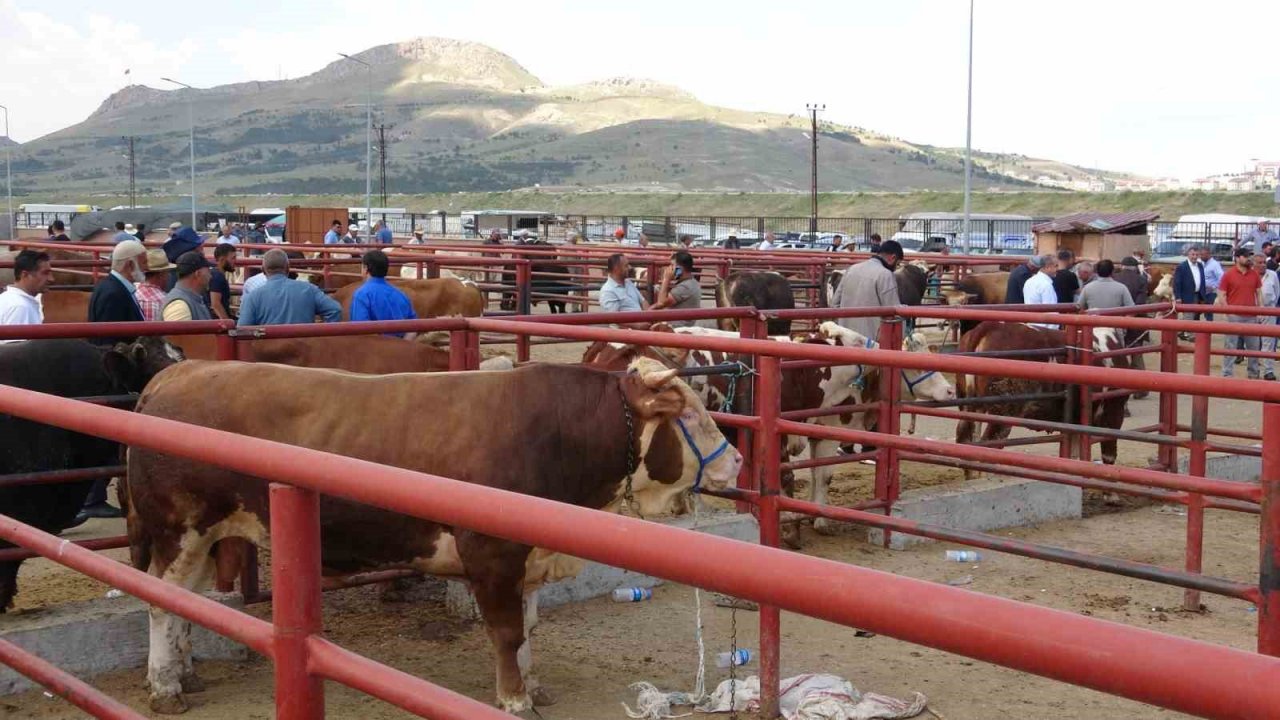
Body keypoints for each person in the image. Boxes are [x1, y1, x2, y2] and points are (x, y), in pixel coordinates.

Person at [237, 249, 342, 326]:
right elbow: (335, 309)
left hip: (269, 353)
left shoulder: (252, 297)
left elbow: (243, 329)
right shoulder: (309, 289)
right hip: (304, 351)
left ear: (263, 270)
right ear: (288, 268)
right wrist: (321, 337)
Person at [831, 239, 904, 341]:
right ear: (893, 258)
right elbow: (893, 311)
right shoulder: (885, 275)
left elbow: (834, 304)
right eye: (897, 264)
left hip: (845, 338)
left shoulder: (852, 269)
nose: (896, 268)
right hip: (869, 342)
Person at [87, 240, 147, 342]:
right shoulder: (113, 295)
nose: (147, 267)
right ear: (130, 265)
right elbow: (108, 341)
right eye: (144, 262)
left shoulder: (110, 287)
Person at [1217, 248, 1263, 379]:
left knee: (1253, 347)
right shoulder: (1228, 274)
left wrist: (1260, 310)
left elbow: (1259, 293)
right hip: (1235, 316)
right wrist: (1228, 312)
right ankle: (1227, 374)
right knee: (1230, 347)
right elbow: (1222, 295)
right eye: (1245, 256)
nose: (1248, 258)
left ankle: (1253, 374)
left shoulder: (1254, 274)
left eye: (1249, 256)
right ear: (1237, 258)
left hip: (1251, 316)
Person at [350, 249, 418, 339]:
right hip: (400, 348)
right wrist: (403, 345)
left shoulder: (361, 294)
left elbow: (360, 331)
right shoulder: (400, 294)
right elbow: (414, 325)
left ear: (366, 269)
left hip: (374, 349)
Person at [0, 250, 51, 339]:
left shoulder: (9, 299)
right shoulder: (20, 307)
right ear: (25, 275)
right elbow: (14, 350)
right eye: (45, 273)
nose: (51, 279)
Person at [1116, 256, 1152, 381]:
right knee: (1136, 353)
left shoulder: (1115, 278)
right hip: (1136, 321)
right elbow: (1140, 302)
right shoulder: (1142, 280)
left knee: (1115, 352)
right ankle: (1140, 387)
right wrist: (1130, 316)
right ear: (1136, 267)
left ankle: (1118, 383)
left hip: (1116, 320)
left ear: (1122, 266)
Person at [161, 252, 215, 322]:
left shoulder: (189, 299)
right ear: (198, 274)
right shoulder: (179, 306)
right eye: (208, 272)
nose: (210, 276)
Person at [651, 250, 701, 325]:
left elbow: (661, 302)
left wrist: (666, 279)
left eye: (672, 265)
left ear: (680, 268)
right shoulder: (692, 282)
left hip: (675, 327)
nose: (670, 269)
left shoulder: (685, 287)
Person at [1255, 252, 1280, 381]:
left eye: (1264, 262)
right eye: (1259, 263)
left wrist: (1270, 308)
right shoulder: (1250, 275)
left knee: (1268, 342)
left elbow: (1277, 292)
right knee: (1252, 343)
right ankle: (1253, 370)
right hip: (1252, 311)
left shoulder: (1273, 275)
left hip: (1269, 310)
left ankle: (1268, 371)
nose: (1263, 265)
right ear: (1254, 264)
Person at [134, 249, 175, 322]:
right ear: (161, 274)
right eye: (167, 272)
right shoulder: (164, 301)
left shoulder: (133, 292)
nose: (168, 276)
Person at [1022, 254, 1060, 328]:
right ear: (1047, 267)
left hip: (1032, 326)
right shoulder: (1046, 285)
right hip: (1044, 330)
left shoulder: (1029, 281)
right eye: (1056, 266)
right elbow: (1051, 312)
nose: (1058, 269)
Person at [208, 243, 236, 320]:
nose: (235, 261)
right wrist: (227, 323)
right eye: (233, 258)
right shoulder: (217, 276)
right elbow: (215, 304)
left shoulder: (215, 274)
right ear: (222, 259)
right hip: (217, 322)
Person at [1202, 245, 1224, 320]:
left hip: (1210, 293)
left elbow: (1222, 277)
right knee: (1202, 311)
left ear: (1208, 254)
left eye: (1203, 255)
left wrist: (1213, 287)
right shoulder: (1202, 263)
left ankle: (1208, 329)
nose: (1201, 257)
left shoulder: (1215, 264)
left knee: (1208, 312)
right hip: (1203, 292)